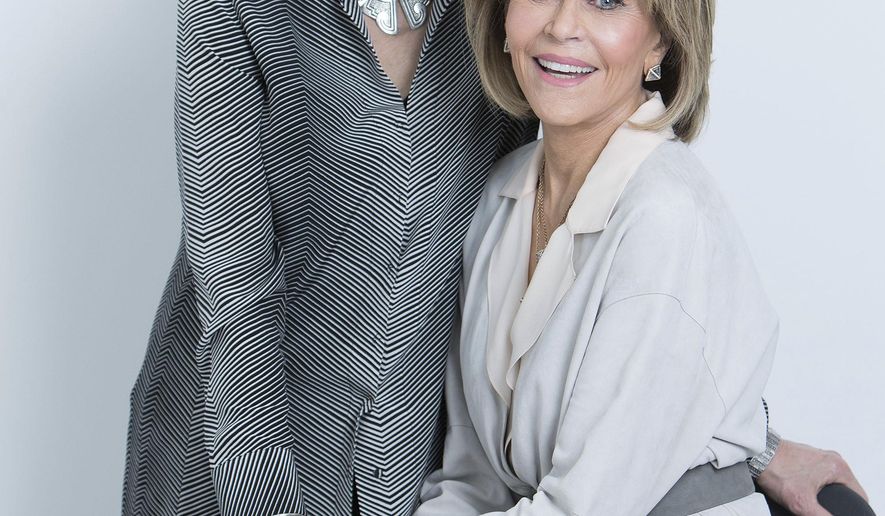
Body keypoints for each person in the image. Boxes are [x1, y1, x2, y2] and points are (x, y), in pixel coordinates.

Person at [122, 0, 870, 515]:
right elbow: (238, 288)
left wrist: (742, 441)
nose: (561, 22)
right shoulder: (241, 8)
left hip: (410, 458)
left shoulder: (510, 21)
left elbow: (614, 302)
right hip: (243, 431)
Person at [414, 0, 872, 515]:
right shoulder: (503, 195)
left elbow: (582, 509)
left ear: (662, 39)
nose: (562, 25)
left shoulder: (664, 217)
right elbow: (473, 479)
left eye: (607, 1)